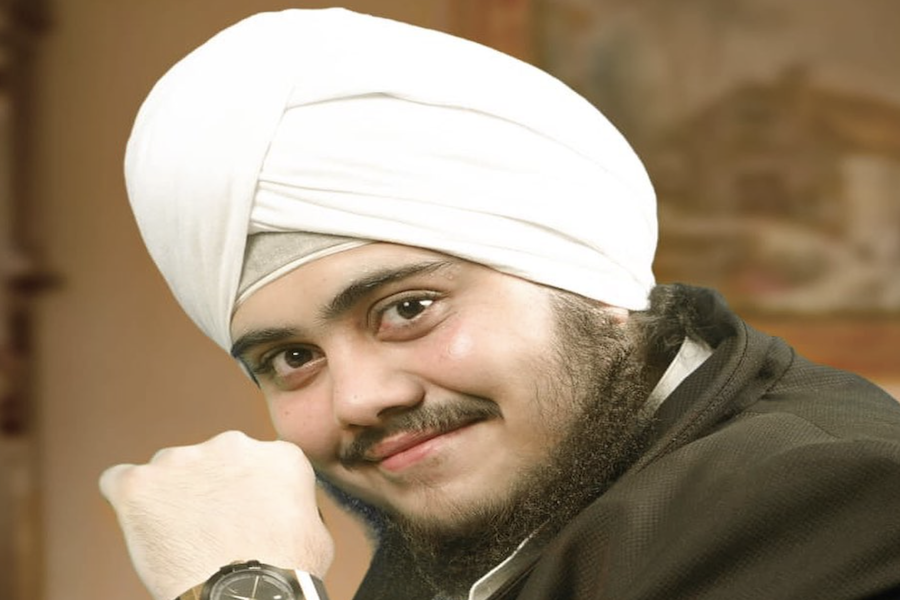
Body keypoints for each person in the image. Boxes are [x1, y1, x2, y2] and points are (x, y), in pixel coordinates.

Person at [99, 8, 900, 600]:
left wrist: (244, 585)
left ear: (590, 277)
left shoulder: (838, 502)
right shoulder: (500, 500)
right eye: (292, 357)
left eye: (408, 309)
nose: (359, 400)